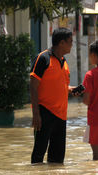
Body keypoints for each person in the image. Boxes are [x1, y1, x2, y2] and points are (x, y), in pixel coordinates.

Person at [30, 27, 74, 164]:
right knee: (38, 156)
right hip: (44, 113)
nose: (72, 44)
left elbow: (63, 87)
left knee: (57, 159)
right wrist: (36, 114)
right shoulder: (43, 58)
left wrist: (74, 90)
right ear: (61, 43)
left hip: (61, 116)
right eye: (70, 42)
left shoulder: (64, 61)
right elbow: (32, 86)